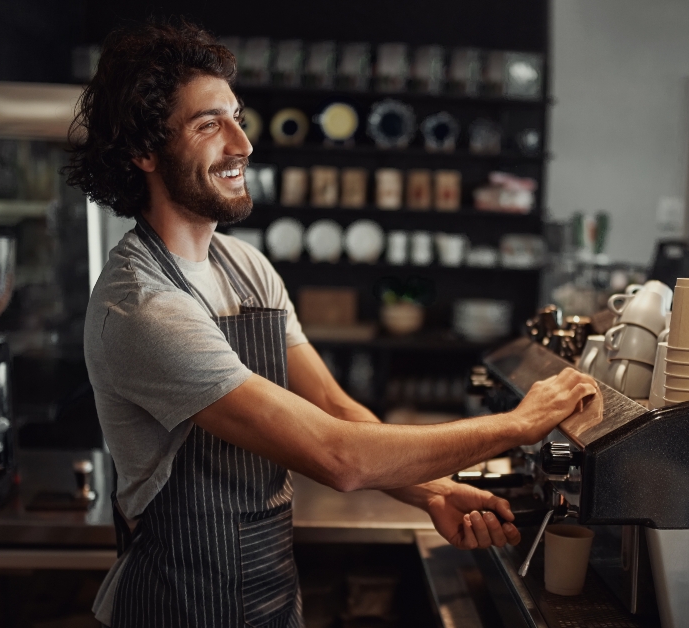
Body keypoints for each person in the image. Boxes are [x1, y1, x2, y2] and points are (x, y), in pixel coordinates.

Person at [66, 18, 598, 628]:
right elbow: (337, 456)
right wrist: (519, 424)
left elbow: (339, 412)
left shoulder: (246, 268)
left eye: (236, 115)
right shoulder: (143, 308)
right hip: (175, 606)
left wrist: (435, 492)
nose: (241, 142)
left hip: (268, 598)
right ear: (145, 151)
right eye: (208, 124)